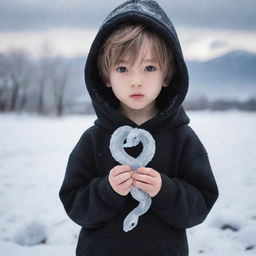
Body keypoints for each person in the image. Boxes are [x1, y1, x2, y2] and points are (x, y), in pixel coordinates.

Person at [59, 1, 219, 255]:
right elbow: (74, 204)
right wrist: (106, 191)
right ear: (105, 76)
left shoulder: (183, 139)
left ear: (167, 75)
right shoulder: (92, 140)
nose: (136, 81)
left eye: (149, 67)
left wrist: (165, 190)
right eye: (122, 68)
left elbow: (201, 204)